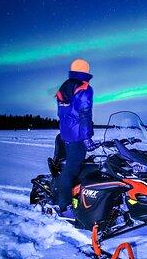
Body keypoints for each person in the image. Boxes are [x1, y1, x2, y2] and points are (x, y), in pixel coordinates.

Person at [55, 58, 97, 216]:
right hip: (78, 134)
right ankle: (64, 205)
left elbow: (63, 113)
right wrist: (86, 137)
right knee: (71, 169)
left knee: (75, 165)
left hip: (67, 132)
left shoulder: (65, 87)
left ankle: (75, 194)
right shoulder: (84, 87)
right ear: (86, 70)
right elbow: (85, 113)